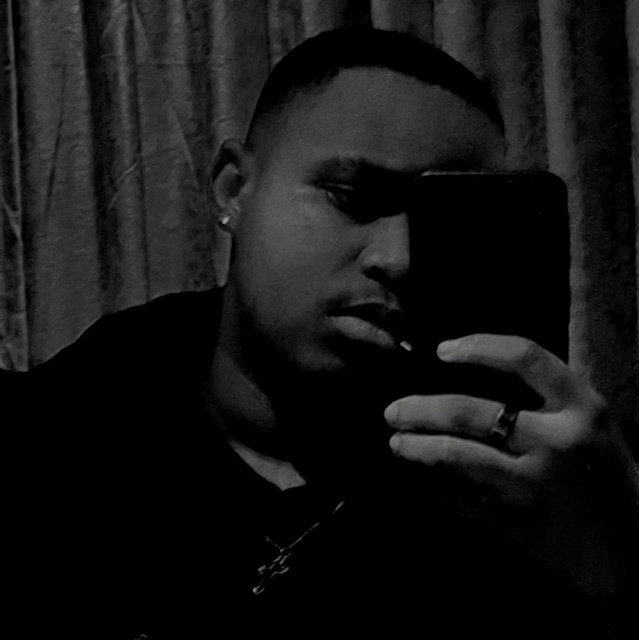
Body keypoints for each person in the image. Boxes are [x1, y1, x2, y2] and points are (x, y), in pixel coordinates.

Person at [6, 28, 638, 638]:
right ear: (234, 189)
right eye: (351, 196)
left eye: (444, 225)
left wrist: (621, 574)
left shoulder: (537, 490)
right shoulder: (52, 441)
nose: (398, 258)